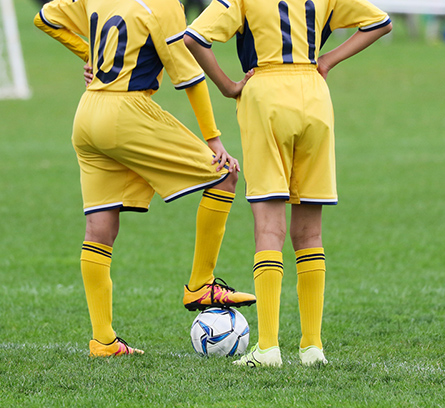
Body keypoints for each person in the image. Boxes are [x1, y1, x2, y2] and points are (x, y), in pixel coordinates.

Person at [34, 0, 256, 357]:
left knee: (99, 230)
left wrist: (90, 56)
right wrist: (214, 140)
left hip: (88, 114)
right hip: (126, 112)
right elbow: (190, 77)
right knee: (224, 175)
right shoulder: (163, 5)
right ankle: (200, 285)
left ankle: (103, 340)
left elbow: (46, 17)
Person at [184, 0, 392, 367]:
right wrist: (326, 60)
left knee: (268, 228)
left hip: (265, 94)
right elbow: (381, 23)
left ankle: (268, 348)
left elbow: (195, 38)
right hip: (314, 97)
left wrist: (229, 87)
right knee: (310, 234)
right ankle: (312, 348)